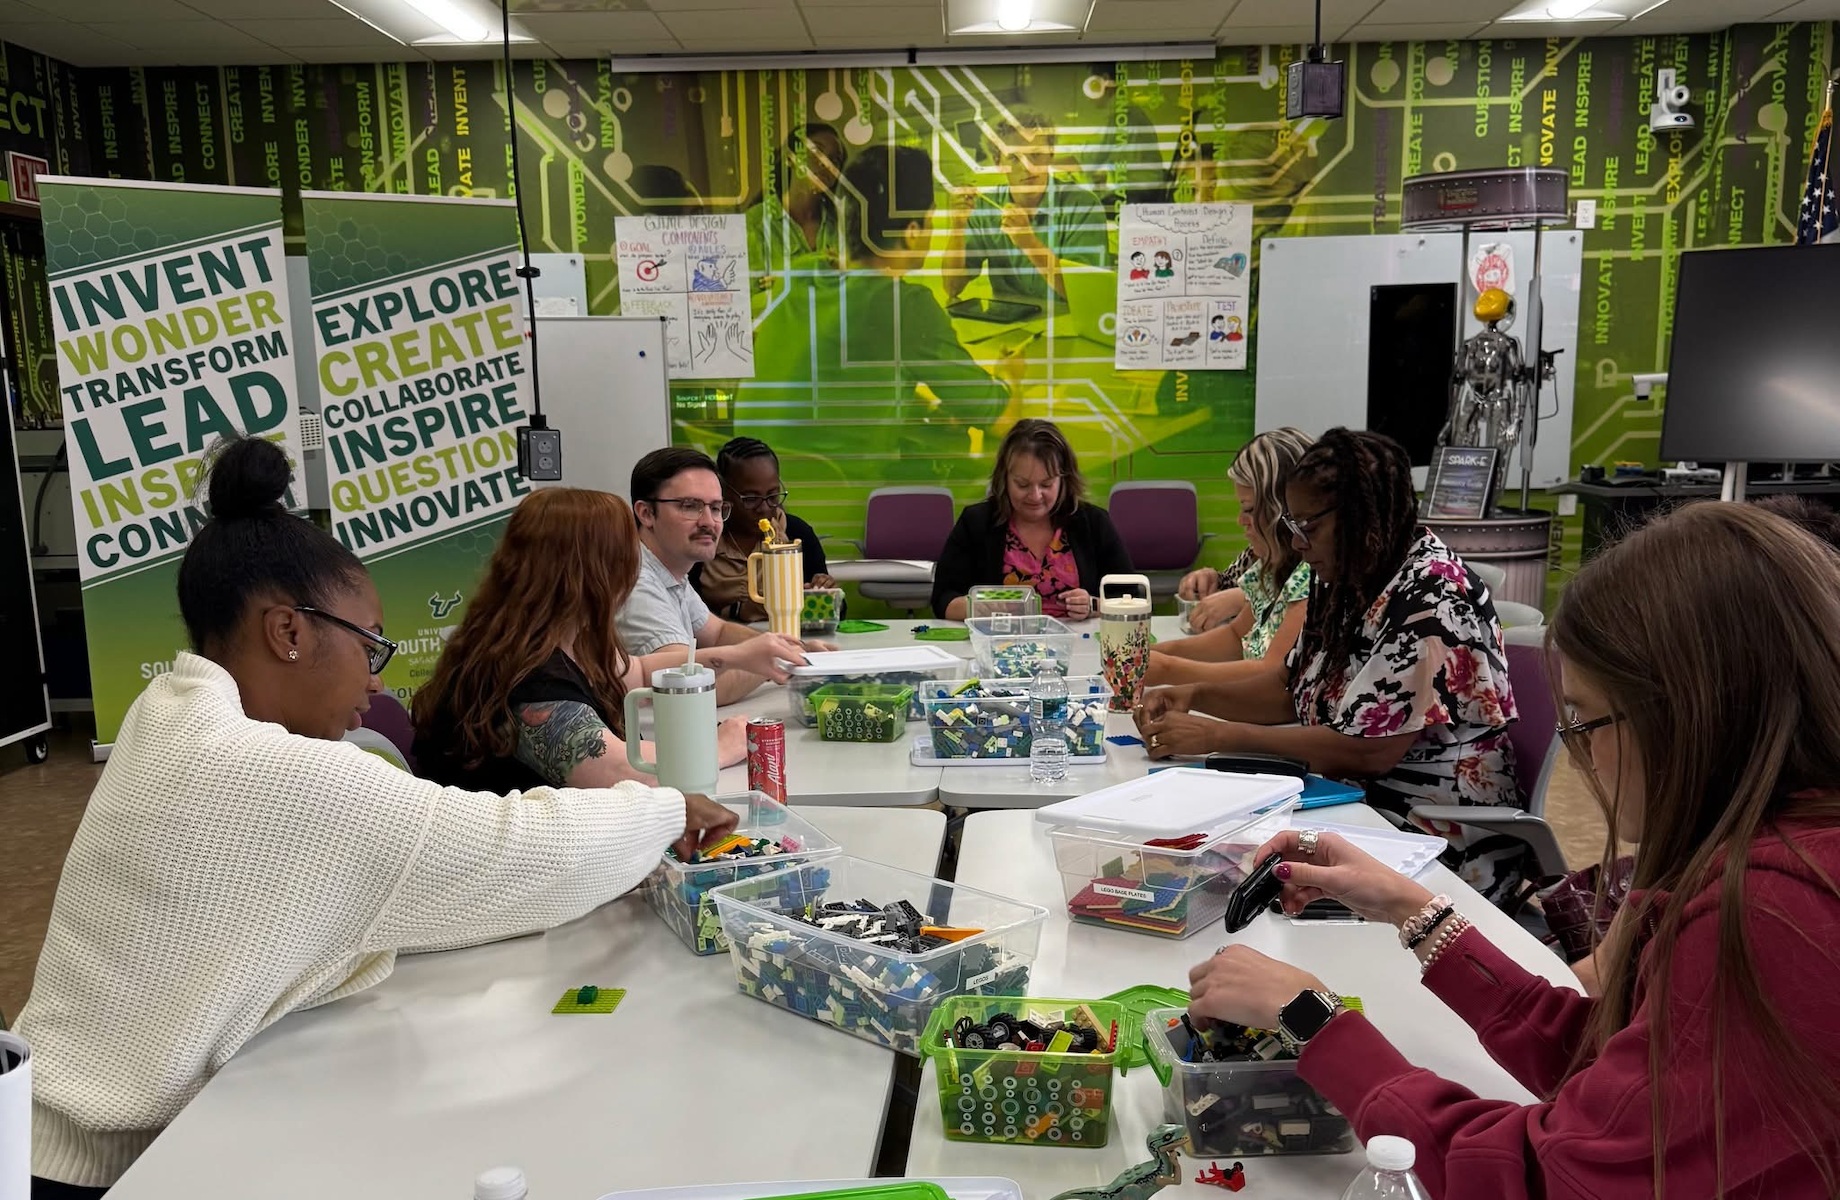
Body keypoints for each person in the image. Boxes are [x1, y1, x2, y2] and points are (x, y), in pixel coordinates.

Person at [13, 437, 738, 1197]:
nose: (374, 677)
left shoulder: (164, 716)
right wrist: (663, 808)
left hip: (60, 1129)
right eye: (368, 645)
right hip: (108, 1171)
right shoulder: (274, 775)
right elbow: (516, 851)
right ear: (288, 631)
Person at [1186, 502, 1840, 1198]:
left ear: (1689, 713)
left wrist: (1310, 1018)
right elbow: (1601, 1065)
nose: (1584, 756)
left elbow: (1538, 1179)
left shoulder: (1776, 914)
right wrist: (1411, 906)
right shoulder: (1772, 854)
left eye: (1585, 720)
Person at [1137, 428, 1517, 854]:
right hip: (1350, 803)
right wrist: (1194, 695)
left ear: (1359, 516)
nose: (1298, 543)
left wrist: (1217, 737)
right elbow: (1288, 686)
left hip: (1428, 832)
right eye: (1292, 525)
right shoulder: (1342, 576)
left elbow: (1367, 752)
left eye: (1309, 526)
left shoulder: (1433, 597)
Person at [411, 488, 753, 794]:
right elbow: (623, 771)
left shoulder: (546, 638)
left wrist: (740, 656)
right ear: (595, 572)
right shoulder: (532, 676)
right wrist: (719, 748)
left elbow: (642, 673)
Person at [748, 145, 1020, 485]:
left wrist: (922, 406)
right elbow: (1001, 419)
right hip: (838, 508)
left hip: (760, 505)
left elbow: (827, 384)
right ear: (913, 232)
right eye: (931, 220)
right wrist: (1012, 377)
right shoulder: (903, 305)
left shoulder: (802, 273)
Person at [618, 446, 829, 705]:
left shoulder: (670, 571)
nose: (709, 521)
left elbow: (717, 633)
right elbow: (694, 690)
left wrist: (794, 649)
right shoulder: (636, 583)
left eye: (716, 508)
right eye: (690, 506)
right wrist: (782, 660)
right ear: (646, 513)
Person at [1147, 429, 1314, 689]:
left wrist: (1168, 669)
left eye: (1249, 509)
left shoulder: (1312, 577)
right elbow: (1236, 638)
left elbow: (1271, 673)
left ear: (1280, 511)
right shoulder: (1272, 567)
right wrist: (1158, 652)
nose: (1240, 521)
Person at [931, 418, 1133, 621]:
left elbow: (1133, 596)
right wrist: (977, 607)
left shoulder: (1093, 522)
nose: (1035, 496)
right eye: (1022, 484)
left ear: (1064, 479)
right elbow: (942, 600)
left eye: (1046, 484)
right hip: (998, 645)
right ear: (1004, 479)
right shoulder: (976, 523)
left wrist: (1094, 605)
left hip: (1080, 645)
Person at [943, 109, 1109, 308]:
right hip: (1009, 331)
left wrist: (1028, 243)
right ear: (998, 163)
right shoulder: (986, 207)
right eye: (1014, 158)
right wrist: (958, 228)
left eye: (1036, 155)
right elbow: (952, 288)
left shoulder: (1083, 206)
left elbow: (1087, 294)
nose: (1028, 167)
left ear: (1051, 154)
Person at [691, 436, 837, 624]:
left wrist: (826, 593)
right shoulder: (704, 537)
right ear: (723, 492)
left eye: (773, 495)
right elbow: (685, 615)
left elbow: (833, 616)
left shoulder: (797, 534)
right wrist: (739, 612)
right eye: (750, 498)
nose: (765, 508)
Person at [745, 122, 846, 281]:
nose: (826, 163)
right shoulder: (753, 224)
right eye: (816, 151)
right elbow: (747, 300)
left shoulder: (844, 224)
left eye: (835, 159)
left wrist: (789, 283)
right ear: (789, 158)